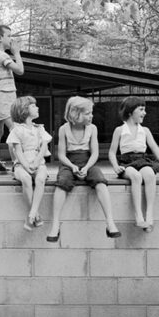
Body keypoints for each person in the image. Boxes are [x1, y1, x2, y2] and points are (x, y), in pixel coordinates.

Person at [46, 96, 120, 243]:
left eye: (91, 112)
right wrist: (72, 167)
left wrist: (86, 167)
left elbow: (95, 153)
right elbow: (60, 154)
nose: (91, 116)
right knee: (62, 183)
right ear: (75, 114)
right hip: (69, 162)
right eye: (87, 113)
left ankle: (110, 222)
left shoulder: (92, 129)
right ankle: (55, 224)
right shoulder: (63, 129)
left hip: (88, 161)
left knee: (100, 181)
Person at [108, 96, 159, 233]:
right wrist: (116, 166)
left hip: (142, 160)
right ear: (130, 111)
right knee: (136, 177)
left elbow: (155, 149)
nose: (144, 113)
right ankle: (138, 215)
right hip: (126, 162)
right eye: (141, 109)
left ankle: (149, 214)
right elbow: (111, 152)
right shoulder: (120, 130)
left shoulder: (145, 130)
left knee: (150, 174)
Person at [6, 95, 51, 231]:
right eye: (33, 106)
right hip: (21, 164)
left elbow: (44, 147)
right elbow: (18, 151)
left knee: (40, 178)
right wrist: (26, 166)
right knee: (25, 178)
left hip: (39, 163)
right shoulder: (17, 130)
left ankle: (31, 214)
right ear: (24, 110)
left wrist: (36, 163)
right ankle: (36, 214)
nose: (37, 108)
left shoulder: (40, 129)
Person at [0, 24, 24, 174]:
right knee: (15, 130)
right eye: (9, 36)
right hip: (2, 96)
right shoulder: (2, 55)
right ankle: (17, 163)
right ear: (0, 38)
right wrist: (17, 53)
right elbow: (20, 70)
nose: (11, 39)